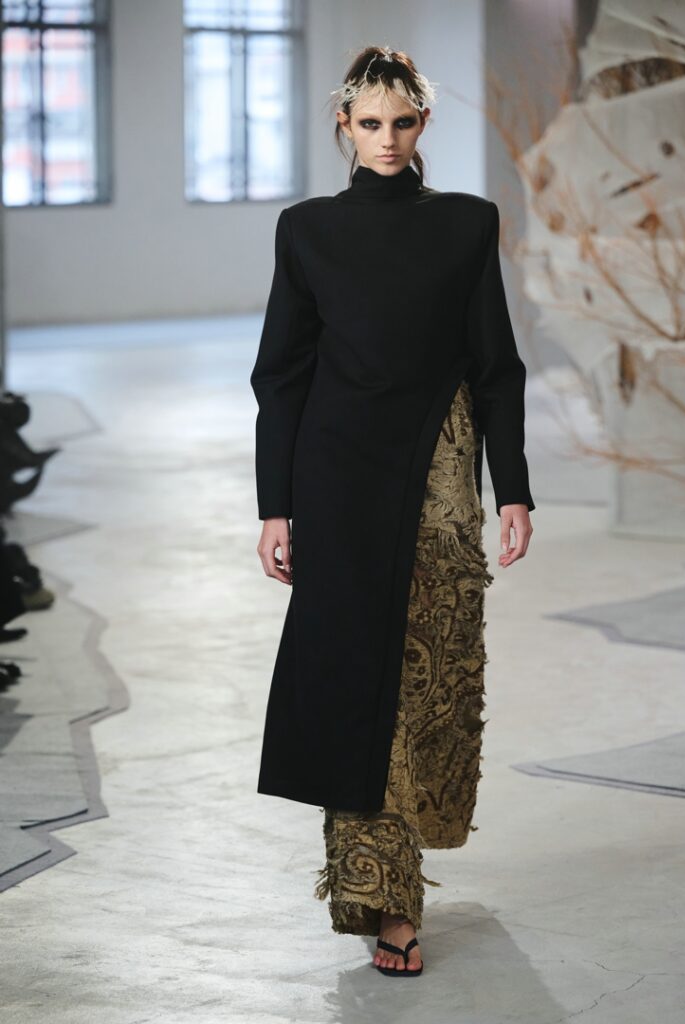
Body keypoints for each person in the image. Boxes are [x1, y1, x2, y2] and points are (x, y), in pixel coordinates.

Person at [251, 44, 534, 977]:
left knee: (427, 673)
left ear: (423, 124)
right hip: (334, 477)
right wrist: (275, 507)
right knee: (349, 676)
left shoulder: (466, 223)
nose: (386, 139)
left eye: (402, 122)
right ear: (344, 124)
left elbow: (495, 366)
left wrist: (514, 486)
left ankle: (403, 883)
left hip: (439, 474)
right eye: (369, 122)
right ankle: (383, 898)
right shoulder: (306, 229)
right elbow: (281, 374)